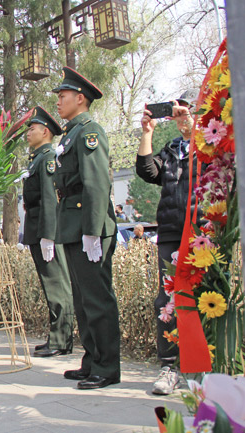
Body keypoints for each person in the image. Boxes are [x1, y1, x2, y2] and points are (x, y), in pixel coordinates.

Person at [52, 67, 120, 390]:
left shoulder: (90, 132)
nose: (58, 102)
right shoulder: (70, 134)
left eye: (62, 96)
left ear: (80, 98)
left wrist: (93, 230)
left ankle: (107, 367)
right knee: (82, 302)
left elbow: (96, 183)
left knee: (97, 299)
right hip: (73, 227)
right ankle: (92, 360)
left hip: (88, 226)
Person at [135, 90, 199, 395]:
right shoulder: (173, 148)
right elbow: (147, 171)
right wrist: (146, 133)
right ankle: (169, 367)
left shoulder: (211, 144)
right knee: (167, 300)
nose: (180, 116)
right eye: (177, 110)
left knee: (205, 297)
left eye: (187, 111)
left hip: (204, 231)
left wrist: (195, 127)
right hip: (172, 231)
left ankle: (205, 367)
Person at [21, 106, 75, 358]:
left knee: (57, 285)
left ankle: (61, 339)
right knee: (50, 284)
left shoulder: (48, 158)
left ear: (45, 131)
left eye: (32, 129)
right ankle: (57, 336)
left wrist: (48, 235)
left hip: (46, 229)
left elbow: (51, 199)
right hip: (37, 227)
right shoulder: (38, 158)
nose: (28, 133)